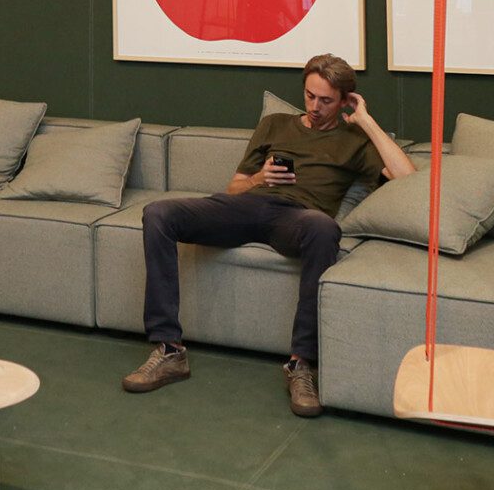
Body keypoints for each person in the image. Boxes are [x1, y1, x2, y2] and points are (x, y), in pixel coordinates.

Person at [122, 53, 415, 417]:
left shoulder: (355, 140)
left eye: (326, 100)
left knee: (324, 228)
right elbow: (234, 188)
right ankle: (169, 351)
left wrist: (366, 121)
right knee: (158, 213)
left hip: (297, 218)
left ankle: (301, 364)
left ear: (345, 101)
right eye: (310, 96)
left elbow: (407, 179)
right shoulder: (275, 124)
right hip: (247, 205)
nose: (315, 107)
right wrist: (261, 178)